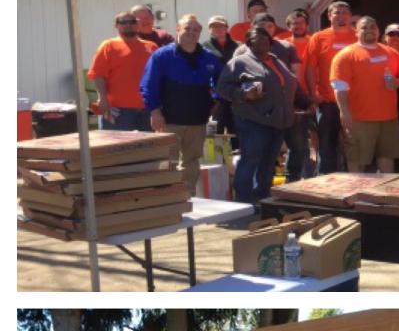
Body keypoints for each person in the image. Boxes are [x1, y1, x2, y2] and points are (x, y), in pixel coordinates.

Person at [139, 14, 223, 196]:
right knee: (167, 161)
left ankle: (188, 197)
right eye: (187, 28)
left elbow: (221, 81)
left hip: (197, 120)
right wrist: (154, 112)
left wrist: (216, 99)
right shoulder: (162, 56)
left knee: (192, 161)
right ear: (178, 29)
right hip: (169, 120)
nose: (191, 33)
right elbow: (148, 84)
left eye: (196, 30)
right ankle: (166, 199)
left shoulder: (209, 58)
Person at [217, 26, 301, 204]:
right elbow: (222, 88)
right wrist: (243, 94)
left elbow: (289, 84)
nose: (261, 41)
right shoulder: (239, 62)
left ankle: (262, 199)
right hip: (253, 121)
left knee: (269, 163)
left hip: (278, 121)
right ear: (248, 43)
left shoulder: (276, 60)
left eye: (264, 38)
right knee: (250, 161)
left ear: (270, 42)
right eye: (255, 39)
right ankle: (243, 202)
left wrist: (306, 103)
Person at [331, 16, 399, 174]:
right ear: (356, 32)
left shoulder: (391, 52)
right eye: (364, 27)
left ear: (378, 30)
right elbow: (339, 86)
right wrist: (344, 112)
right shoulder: (346, 55)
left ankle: (386, 195)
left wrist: (397, 82)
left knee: (387, 158)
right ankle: (355, 195)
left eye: (373, 26)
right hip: (359, 119)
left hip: (389, 118)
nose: (369, 30)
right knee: (358, 161)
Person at [306, 0, 358, 174]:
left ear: (350, 16)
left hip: (355, 102)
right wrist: (314, 93)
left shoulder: (358, 36)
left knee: (354, 145)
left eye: (345, 12)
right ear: (329, 16)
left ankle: (355, 180)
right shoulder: (319, 37)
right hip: (327, 101)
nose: (341, 16)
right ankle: (325, 181)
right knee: (327, 145)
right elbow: (310, 68)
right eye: (337, 12)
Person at [87, 12, 157, 130]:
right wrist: (102, 99)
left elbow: (158, 77)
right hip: (117, 110)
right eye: (123, 22)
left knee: (146, 148)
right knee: (115, 147)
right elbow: (99, 75)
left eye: (132, 22)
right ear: (116, 26)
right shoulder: (108, 46)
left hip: (147, 110)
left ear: (138, 24)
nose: (128, 25)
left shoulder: (151, 47)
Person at [284, 9, 314, 181]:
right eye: (294, 23)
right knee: (298, 143)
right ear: (289, 26)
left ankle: (317, 176)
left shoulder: (314, 41)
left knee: (320, 141)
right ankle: (296, 179)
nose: (298, 26)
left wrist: (314, 95)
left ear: (307, 25)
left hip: (316, 97)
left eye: (301, 23)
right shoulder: (283, 45)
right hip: (294, 100)